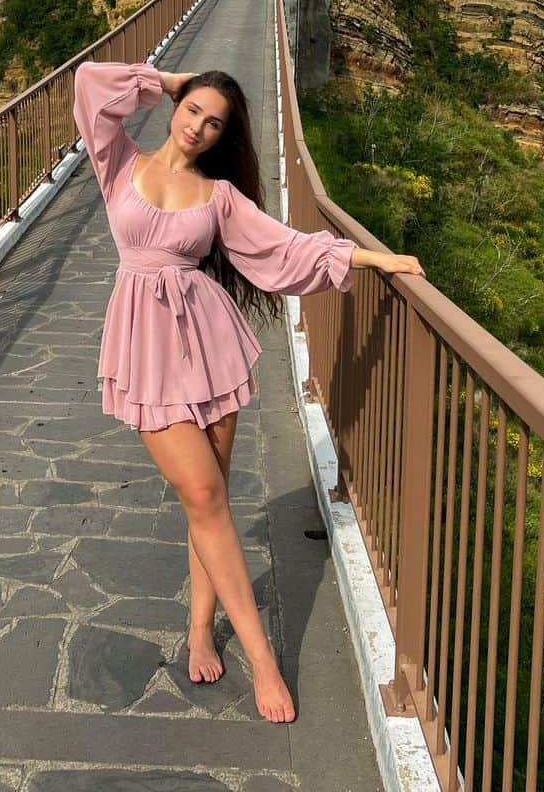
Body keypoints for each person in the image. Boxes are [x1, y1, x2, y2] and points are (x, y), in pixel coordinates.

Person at [71, 60, 425, 724]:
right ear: (178, 107)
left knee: (212, 500)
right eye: (194, 111)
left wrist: (368, 258)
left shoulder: (221, 198)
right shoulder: (118, 160)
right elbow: (90, 83)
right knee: (202, 495)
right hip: (146, 349)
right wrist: (167, 78)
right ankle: (264, 659)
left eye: (215, 122)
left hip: (208, 344)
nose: (200, 127)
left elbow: (284, 248)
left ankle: (201, 627)